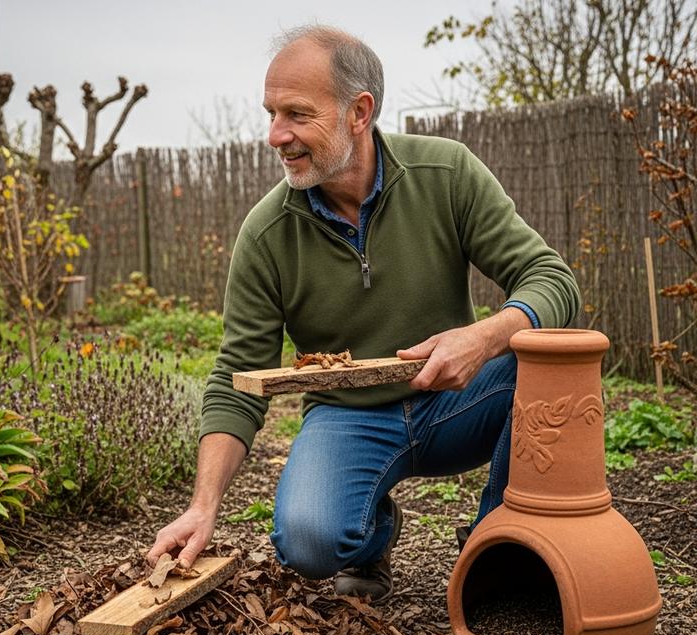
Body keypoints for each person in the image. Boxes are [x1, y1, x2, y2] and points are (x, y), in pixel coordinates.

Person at [146, 25, 580, 602]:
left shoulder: (445, 174)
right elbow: (237, 379)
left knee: (553, 371)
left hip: (458, 400)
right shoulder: (268, 233)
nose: (277, 135)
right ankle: (372, 539)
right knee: (308, 543)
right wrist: (203, 508)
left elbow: (552, 279)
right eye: (271, 113)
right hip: (347, 418)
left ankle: (496, 545)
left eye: (297, 114)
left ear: (359, 111)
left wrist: (482, 338)